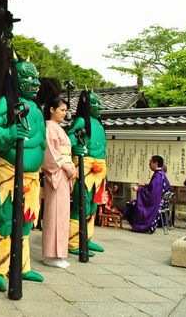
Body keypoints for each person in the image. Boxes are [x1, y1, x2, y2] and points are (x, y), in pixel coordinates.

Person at [0, 57, 46, 290]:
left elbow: (40, 142)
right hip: (7, 173)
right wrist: (8, 134)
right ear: (15, 78)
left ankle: (21, 265)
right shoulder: (4, 103)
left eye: (36, 77)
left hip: (31, 178)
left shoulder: (37, 109)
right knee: (4, 222)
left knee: (26, 223)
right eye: (28, 77)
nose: (34, 82)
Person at [67, 90, 106, 256]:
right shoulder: (81, 121)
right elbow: (69, 138)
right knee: (81, 204)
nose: (99, 106)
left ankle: (87, 238)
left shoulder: (98, 123)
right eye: (94, 103)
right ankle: (75, 241)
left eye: (99, 103)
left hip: (99, 169)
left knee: (92, 205)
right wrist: (75, 147)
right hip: (85, 167)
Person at [41, 98, 75, 268]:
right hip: (58, 172)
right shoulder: (49, 128)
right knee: (55, 212)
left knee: (62, 214)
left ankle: (59, 253)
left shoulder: (59, 129)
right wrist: (66, 167)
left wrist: (70, 167)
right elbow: (51, 154)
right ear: (52, 109)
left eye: (65, 110)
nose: (64, 113)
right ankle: (50, 254)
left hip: (64, 172)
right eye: (62, 110)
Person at [122, 155, 171, 233]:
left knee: (130, 205)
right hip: (158, 201)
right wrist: (145, 186)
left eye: (150, 162)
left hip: (153, 204)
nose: (149, 164)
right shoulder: (161, 174)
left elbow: (152, 194)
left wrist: (139, 189)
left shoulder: (158, 176)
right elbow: (155, 188)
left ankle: (141, 227)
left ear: (156, 163)